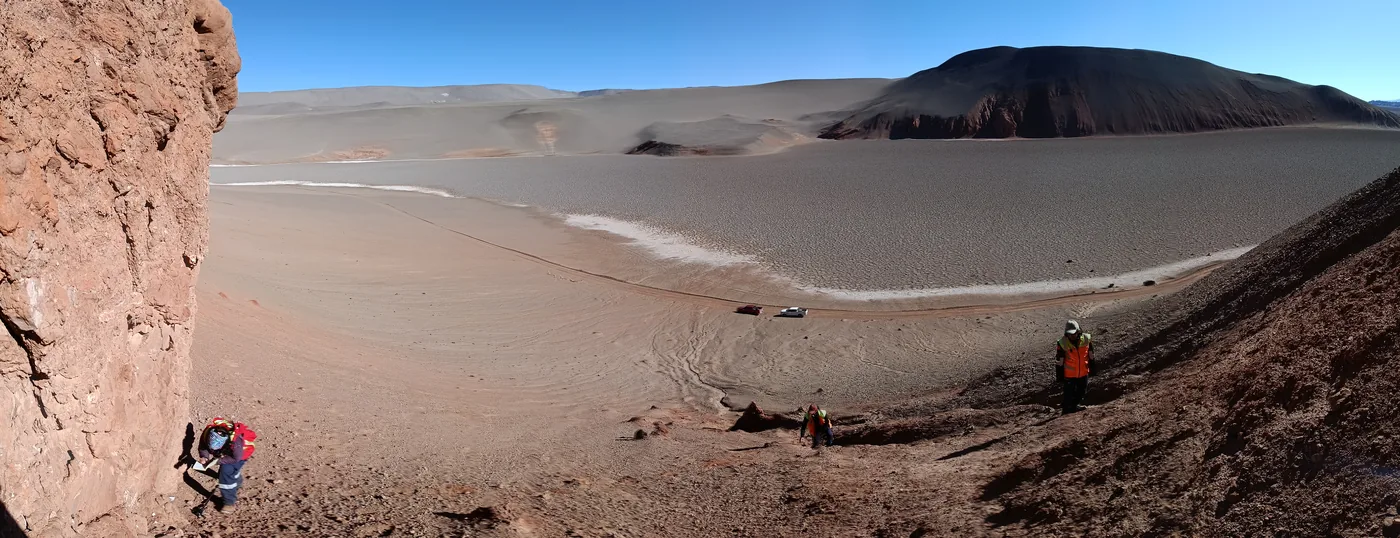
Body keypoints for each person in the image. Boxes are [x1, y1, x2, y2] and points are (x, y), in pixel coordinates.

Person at [196, 417, 257, 513]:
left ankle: (229, 503)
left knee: (225, 473)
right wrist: (205, 457)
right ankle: (236, 479)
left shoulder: (235, 440)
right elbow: (203, 446)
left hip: (241, 454)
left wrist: (218, 461)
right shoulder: (207, 433)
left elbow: (235, 458)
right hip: (226, 451)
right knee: (229, 472)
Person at [1055, 320, 1095, 414]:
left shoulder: (1086, 338)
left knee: (1081, 392)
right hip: (1070, 374)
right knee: (1069, 394)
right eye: (1070, 334)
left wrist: (1093, 367)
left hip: (1083, 371)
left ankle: (1073, 406)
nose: (1072, 336)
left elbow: (1091, 354)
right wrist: (1059, 375)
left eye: (1074, 333)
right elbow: (1059, 360)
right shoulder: (1062, 343)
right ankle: (1067, 410)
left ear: (1078, 331)